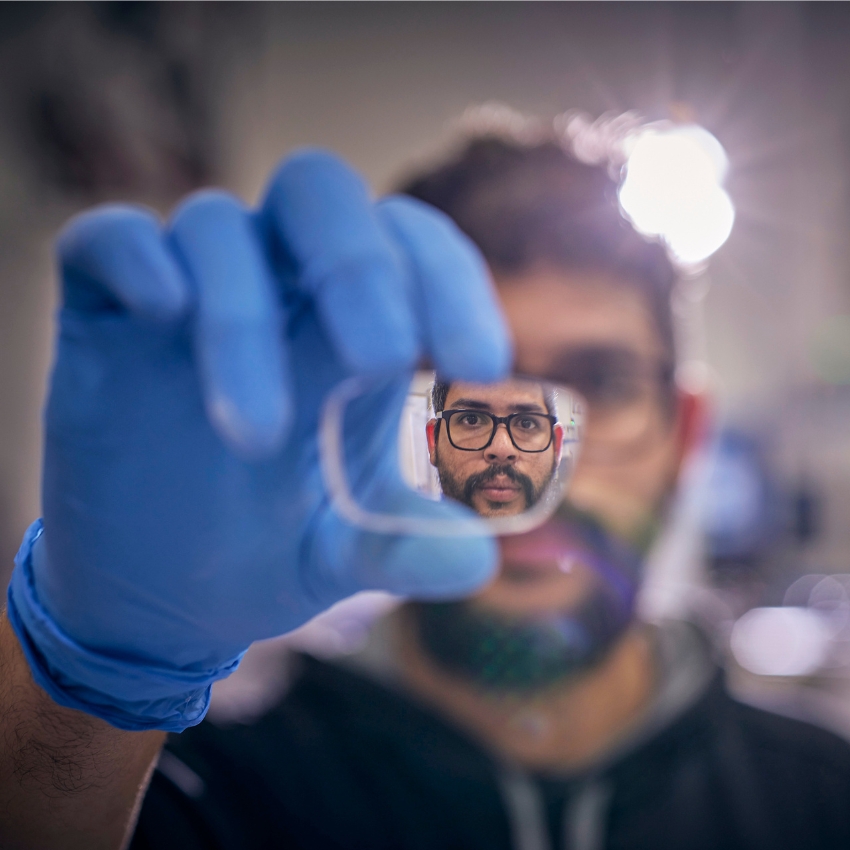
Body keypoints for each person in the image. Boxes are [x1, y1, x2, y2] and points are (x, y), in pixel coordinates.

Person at [0, 121, 846, 850]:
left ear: (684, 434)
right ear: (388, 423)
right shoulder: (198, 797)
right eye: (469, 400)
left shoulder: (825, 804)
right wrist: (92, 684)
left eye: (598, 384)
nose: (524, 463)